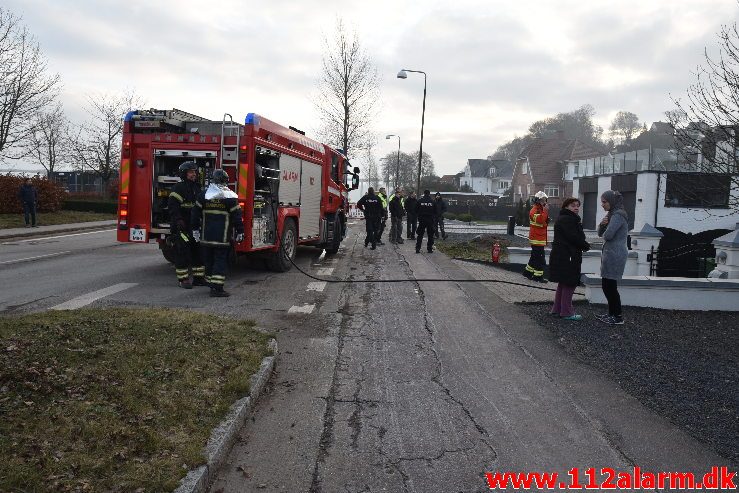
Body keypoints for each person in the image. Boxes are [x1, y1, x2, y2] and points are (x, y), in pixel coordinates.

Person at [191, 169, 244, 297]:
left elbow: (194, 214)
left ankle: (211, 284)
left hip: (206, 238)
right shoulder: (230, 198)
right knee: (220, 262)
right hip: (222, 238)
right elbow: (237, 216)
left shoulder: (203, 195)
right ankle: (217, 289)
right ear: (225, 181)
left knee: (208, 261)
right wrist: (240, 231)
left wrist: (194, 230)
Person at [549, 198, 590, 320]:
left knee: (563, 282)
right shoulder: (569, 220)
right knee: (569, 282)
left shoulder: (564, 218)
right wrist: (585, 245)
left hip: (563, 255)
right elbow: (574, 237)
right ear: (566, 207)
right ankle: (566, 312)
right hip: (568, 256)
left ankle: (557, 309)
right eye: (573, 206)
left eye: (578, 206)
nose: (576, 208)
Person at [168, 161, 206, 289]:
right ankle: (183, 279)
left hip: (194, 226)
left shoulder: (197, 187)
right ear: (184, 174)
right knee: (182, 252)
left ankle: (199, 278)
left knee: (198, 251)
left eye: (194, 172)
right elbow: (173, 206)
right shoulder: (178, 188)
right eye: (190, 172)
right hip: (182, 226)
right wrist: (178, 220)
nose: (193, 174)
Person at [596, 190, 629, 325]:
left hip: (615, 254)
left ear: (612, 201)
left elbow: (608, 236)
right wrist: (602, 224)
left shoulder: (618, 215)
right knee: (607, 285)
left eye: (604, 202)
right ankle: (611, 313)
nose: (602, 205)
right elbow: (600, 233)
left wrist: (606, 227)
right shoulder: (611, 214)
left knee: (610, 286)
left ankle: (618, 316)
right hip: (610, 254)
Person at [523, 191, 550, 283]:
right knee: (540, 259)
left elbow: (543, 222)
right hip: (536, 239)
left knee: (534, 257)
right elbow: (540, 221)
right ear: (538, 201)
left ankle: (527, 273)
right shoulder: (534, 210)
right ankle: (538, 277)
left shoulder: (540, 209)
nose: (545, 202)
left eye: (545, 200)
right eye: (543, 201)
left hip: (539, 238)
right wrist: (546, 212)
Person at [415, 189, 436, 253]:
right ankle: (429, 249)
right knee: (430, 235)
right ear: (429, 194)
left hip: (422, 220)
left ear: (424, 194)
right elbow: (436, 211)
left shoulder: (420, 201)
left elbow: (416, 210)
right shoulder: (432, 202)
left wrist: (419, 216)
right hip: (430, 220)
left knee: (420, 235)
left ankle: (418, 248)